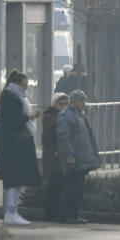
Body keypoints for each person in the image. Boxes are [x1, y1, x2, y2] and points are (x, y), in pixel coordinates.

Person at [0, 70, 42, 226]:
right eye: (24, 85)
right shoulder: (10, 98)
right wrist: (28, 117)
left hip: (16, 145)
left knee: (16, 181)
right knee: (13, 181)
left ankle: (13, 212)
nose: (26, 89)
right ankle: (11, 212)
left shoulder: (15, 97)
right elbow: (10, 122)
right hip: (13, 146)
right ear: (15, 84)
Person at [56, 90, 102, 225]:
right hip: (74, 160)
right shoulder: (67, 116)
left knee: (78, 189)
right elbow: (64, 138)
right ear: (74, 101)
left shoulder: (78, 115)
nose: (84, 103)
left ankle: (74, 215)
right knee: (71, 188)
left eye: (85, 100)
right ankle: (65, 215)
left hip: (81, 159)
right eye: (82, 100)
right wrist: (69, 156)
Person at [40, 91, 69, 222]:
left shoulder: (65, 116)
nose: (63, 106)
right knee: (54, 185)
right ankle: (50, 214)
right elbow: (49, 135)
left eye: (65, 104)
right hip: (53, 156)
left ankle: (57, 213)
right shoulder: (50, 116)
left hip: (60, 156)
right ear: (55, 104)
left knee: (61, 185)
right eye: (60, 103)